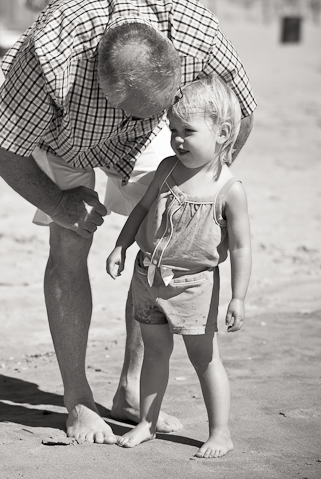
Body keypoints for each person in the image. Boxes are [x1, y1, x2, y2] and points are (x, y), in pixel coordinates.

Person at [0, 0, 256, 444]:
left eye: (158, 109)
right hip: (59, 140)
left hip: (146, 143)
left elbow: (241, 112)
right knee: (69, 240)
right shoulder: (55, 56)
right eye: (137, 109)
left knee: (159, 233)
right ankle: (79, 401)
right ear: (100, 81)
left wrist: (202, 194)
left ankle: (131, 390)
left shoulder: (192, 32)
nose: (148, 120)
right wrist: (61, 205)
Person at [106, 74, 251, 457]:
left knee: (204, 358)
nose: (177, 139)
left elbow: (240, 247)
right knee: (154, 353)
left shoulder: (229, 190)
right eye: (172, 129)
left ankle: (220, 432)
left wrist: (238, 297)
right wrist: (121, 245)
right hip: (147, 275)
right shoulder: (167, 169)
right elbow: (140, 209)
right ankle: (147, 423)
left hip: (194, 286)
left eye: (188, 130)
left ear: (222, 132)